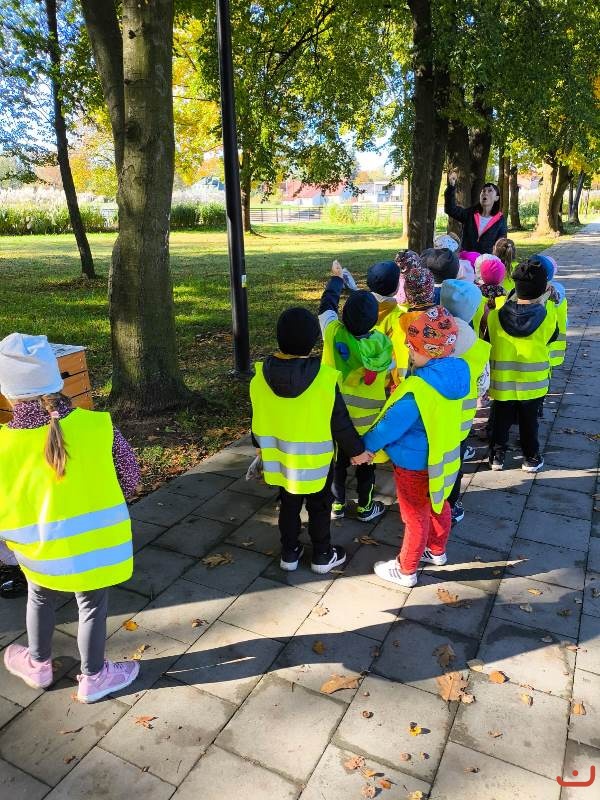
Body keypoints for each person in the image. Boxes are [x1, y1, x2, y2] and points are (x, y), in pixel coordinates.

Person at [0, 333, 141, 702]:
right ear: (57, 379)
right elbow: (130, 478)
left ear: (7, 393)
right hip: (97, 546)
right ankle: (94, 677)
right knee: (92, 606)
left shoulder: (3, 444)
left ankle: (38, 665)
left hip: (39, 552)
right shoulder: (98, 426)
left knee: (38, 597)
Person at [250, 307, 370, 574]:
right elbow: (340, 422)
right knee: (319, 507)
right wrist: (357, 451)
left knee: (288, 505)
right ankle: (322, 555)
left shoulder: (259, 377)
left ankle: (289, 553)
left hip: (280, 461)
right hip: (317, 464)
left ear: (279, 338)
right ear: (314, 340)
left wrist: (258, 447)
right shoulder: (324, 379)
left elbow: (257, 416)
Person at [363, 307, 470, 587]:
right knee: (439, 502)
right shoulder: (459, 373)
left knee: (414, 515)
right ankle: (437, 550)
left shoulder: (419, 389)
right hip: (443, 456)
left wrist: (365, 447)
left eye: (413, 347)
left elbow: (390, 426)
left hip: (413, 463)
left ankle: (406, 569)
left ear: (431, 350)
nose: (408, 350)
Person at [319, 265, 392, 522]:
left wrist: (336, 280)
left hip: (336, 417)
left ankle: (336, 505)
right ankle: (365, 507)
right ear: (374, 321)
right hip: (369, 421)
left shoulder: (332, 332)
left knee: (337, 463)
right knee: (366, 464)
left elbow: (326, 307)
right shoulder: (382, 345)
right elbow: (389, 373)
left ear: (344, 316)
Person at [487, 260, 558, 473]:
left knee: (500, 420)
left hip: (502, 381)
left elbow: (488, 339)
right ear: (542, 289)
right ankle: (531, 457)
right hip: (533, 383)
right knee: (529, 422)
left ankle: (496, 456)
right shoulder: (549, 316)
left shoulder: (495, 316)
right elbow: (552, 338)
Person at [440, 281, 491, 525]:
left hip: (432, 416)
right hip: (461, 418)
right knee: (455, 462)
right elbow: (482, 386)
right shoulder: (479, 348)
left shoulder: (428, 337)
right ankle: (451, 504)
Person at [364, 259, 408, 388]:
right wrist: (400, 384)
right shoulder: (398, 317)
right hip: (383, 380)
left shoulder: (358, 306)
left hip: (354, 372)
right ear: (397, 287)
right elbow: (399, 354)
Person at [445, 174, 507, 253]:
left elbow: (501, 242)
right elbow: (451, 209)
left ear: (496, 198)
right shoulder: (470, 213)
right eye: (483, 191)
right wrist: (451, 186)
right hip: (466, 258)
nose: (485, 193)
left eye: (490, 191)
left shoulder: (500, 220)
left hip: (486, 259)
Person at [473, 255, 508, 339]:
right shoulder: (506, 297)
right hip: (497, 338)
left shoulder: (475, 294)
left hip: (477, 338)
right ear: (502, 277)